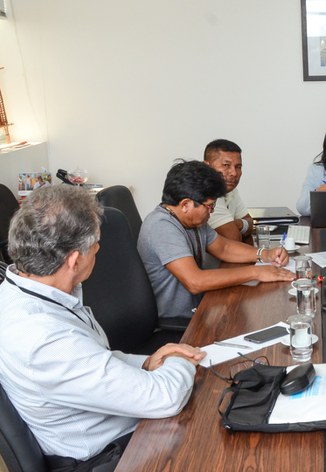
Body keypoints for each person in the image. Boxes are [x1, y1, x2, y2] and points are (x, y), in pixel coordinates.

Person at [0, 185, 205, 469]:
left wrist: (148, 362)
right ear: (74, 259)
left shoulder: (26, 291)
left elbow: (94, 358)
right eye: (96, 246)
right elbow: (165, 397)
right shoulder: (44, 337)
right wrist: (182, 360)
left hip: (118, 423)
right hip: (110, 456)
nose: (98, 250)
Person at [138, 160, 294, 321]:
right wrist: (256, 272)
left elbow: (224, 248)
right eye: (210, 206)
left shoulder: (192, 220)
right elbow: (195, 281)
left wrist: (265, 254)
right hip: (180, 321)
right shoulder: (161, 227)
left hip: (202, 306)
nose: (211, 212)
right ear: (185, 204)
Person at [203, 139, 253, 243]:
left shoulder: (230, 189)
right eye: (226, 165)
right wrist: (241, 226)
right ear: (206, 167)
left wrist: (237, 224)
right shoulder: (207, 193)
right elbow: (234, 238)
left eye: (238, 167)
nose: (234, 173)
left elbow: (250, 224)